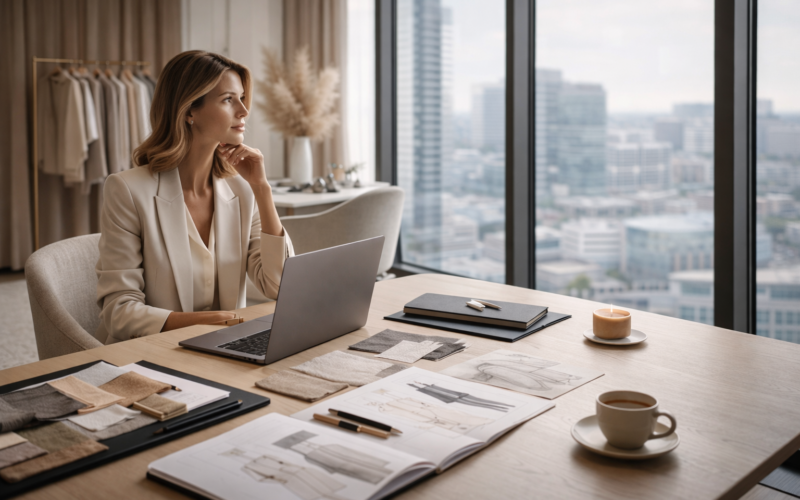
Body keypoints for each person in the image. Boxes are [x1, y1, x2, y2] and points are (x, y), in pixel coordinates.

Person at [95, 50, 294, 344]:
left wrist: (262, 190)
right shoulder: (127, 190)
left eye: (242, 98)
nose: (243, 110)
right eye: (228, 99)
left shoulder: (243, 191)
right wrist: (202, 323)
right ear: (189, 110)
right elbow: (119, 312)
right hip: (151, 352)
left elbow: (279, 287)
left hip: (224, 347)